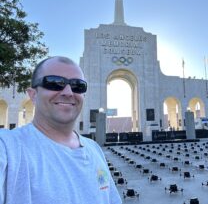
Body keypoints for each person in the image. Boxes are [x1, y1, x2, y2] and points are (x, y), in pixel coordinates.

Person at [0, 56, 122, 204]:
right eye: (54, 83)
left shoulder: (95, 149)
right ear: (33, 94)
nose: (68, 92)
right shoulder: (9, 148)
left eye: (78, 85)